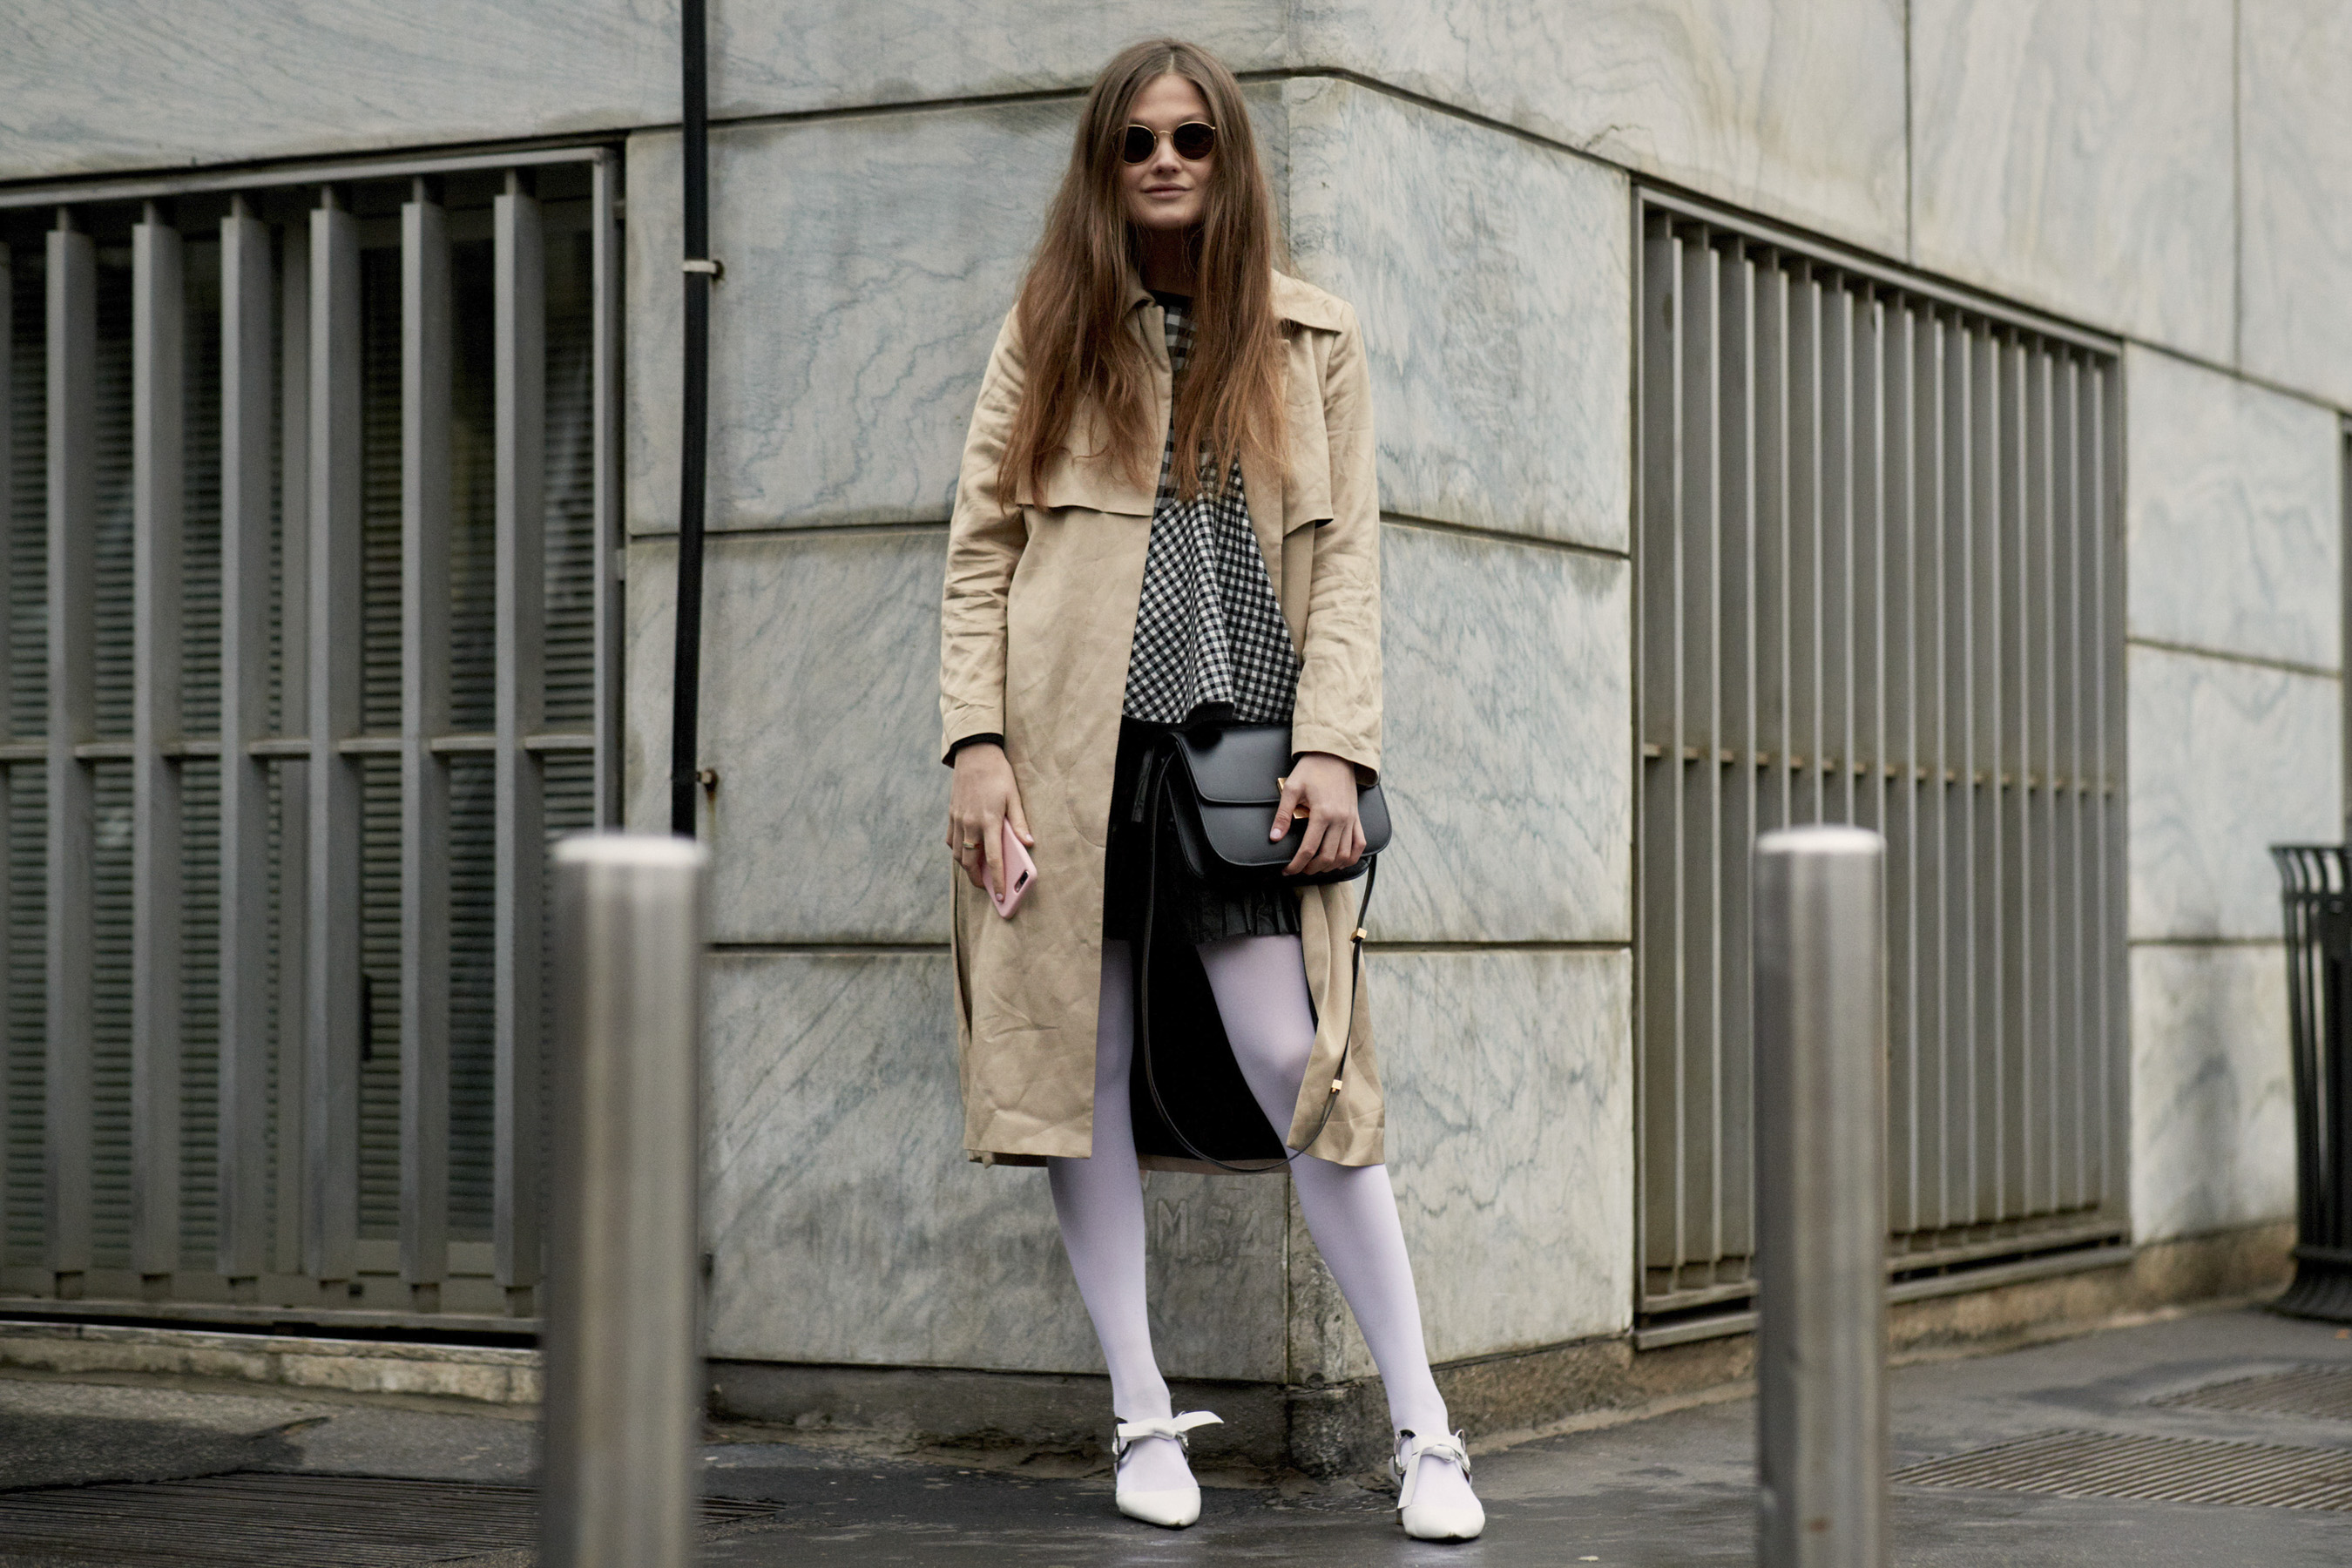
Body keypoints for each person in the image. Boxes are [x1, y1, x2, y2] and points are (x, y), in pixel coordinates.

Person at [936, 37, 1484, 1544]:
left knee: (1299, 1061)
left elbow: (1350, 561)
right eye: (1137, 142)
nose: (1166, 161)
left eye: (1192, 139)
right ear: (1104, 167)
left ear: (1232, 159)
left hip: (1243, 753)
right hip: (1069, 752)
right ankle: (1138, 1410)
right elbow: (981, 553)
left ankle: (1425, 1428)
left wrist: (1338, 744)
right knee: (1083, 1066)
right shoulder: (1047, 329)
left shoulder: (1313, 338)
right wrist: (976, 748)